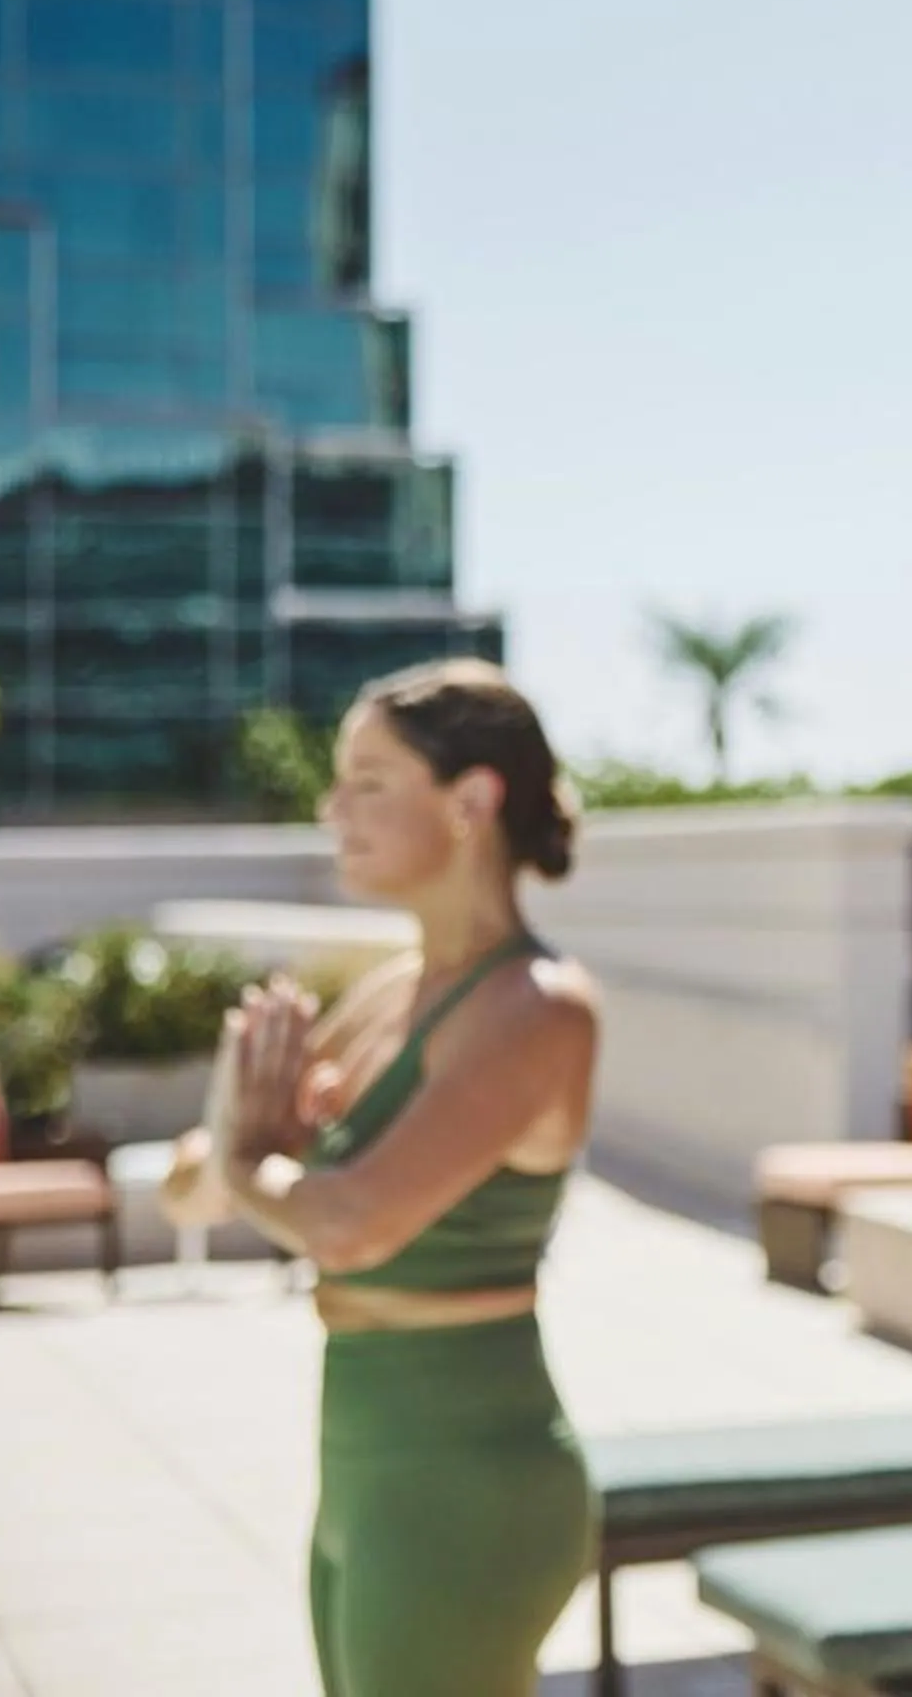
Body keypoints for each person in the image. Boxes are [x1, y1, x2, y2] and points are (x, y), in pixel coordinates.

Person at [161, 658, 601, 1697]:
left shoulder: (537, 1007)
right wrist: (241, 1148)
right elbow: (198, 1187)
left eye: (367, 779)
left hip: (467, 1481)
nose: (332, 808)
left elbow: (348, 1221)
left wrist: (248, 1160)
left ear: (472, 799)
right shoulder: (391, 992)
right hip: (364, 1463)